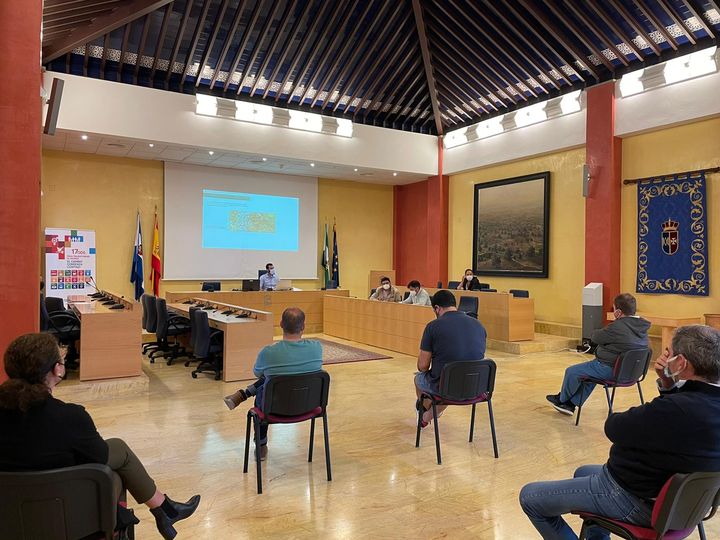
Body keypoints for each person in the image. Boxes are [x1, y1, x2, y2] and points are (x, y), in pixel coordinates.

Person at [520, 325, 720, 539]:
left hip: (634, 498)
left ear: (680, 362)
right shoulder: (699, 404)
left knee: (530, 498)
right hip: (685, 504)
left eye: (668, 352)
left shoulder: (676, 409)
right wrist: (669, 386)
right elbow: (673, 423)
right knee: (583, 471)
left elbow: (614, 427)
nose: (665, 357)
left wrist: (669, 392)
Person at [0, 333, 200, 540]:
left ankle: (166, 511)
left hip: (9, 522)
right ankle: (164, 511)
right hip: (71, 522)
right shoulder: (71, 417)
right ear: (57, 369)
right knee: (115, 461)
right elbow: (99, 457)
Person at [222, 307, 323, 460]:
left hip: (274, 409)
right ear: (303, 326)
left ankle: (261, 445)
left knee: (267, 382)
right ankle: (243, 394)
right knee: (274, 378)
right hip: (309, 406)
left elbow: (258, 373)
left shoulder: (268, 352)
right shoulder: (317, 348)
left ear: (281, 324)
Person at [546, 293, 650, 415]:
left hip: (611, 370)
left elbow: (595, 337)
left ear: (618, 312)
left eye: (614, 309)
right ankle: (570, 404)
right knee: (590, 375)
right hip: (633, 373)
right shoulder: (642, 327)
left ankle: (562, 400)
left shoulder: (618, 326)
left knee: (572, 371)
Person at [414, 290, 487, 426]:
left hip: (447, 388)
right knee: (451, 378)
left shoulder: (433, 326)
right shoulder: (479, 325)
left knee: (419, 378)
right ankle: (430, 415)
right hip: (477, 387)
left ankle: (426, 415)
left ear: (437, 308)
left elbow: (423, 366)